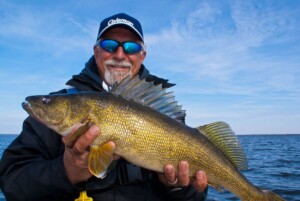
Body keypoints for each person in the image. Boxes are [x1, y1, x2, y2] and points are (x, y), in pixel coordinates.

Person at [0, 13, 208, 201]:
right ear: (96, 50)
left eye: (131, 47)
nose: (119, 54)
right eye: (109, 45)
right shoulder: (54, 112)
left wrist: (176, 188)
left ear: (142, 55)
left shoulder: (160, 113)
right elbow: (12, 183)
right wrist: (67, 171)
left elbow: (198, 195)